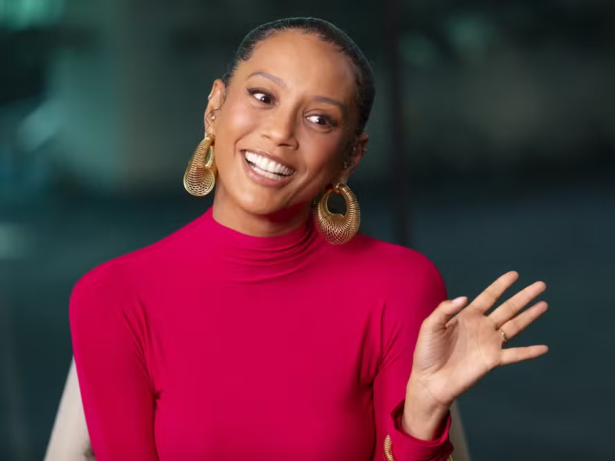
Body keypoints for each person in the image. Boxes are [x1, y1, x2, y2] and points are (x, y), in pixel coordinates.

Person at [69, 17, 548, 461]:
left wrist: (421, 416)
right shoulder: (113, 299)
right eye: (263, 97)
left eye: (320, 120)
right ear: (215, 108)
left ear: (351, 157)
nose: (280, 133)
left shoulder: (400, 287)